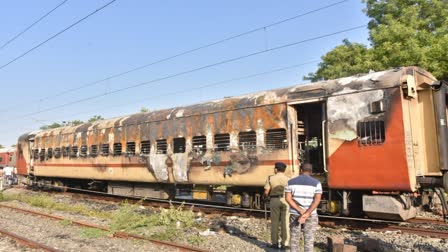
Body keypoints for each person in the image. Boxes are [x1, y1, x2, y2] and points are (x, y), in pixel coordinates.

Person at [285, 163, 322, 252]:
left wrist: (300, 210)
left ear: (300, 170)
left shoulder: (290, 182)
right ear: (311, 171)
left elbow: (288, 198)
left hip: (295, 213)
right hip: (311, 215)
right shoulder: (317, 183)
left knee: (294, 238)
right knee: (309, 239)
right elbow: (317, 200)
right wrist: (307, 213)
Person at [264, 162, 290, 249]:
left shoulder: (270, 178)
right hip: (285, 200)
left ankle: (274, 243)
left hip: (274, 200)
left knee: (274, 222)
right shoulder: (288, 179)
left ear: (276, 169)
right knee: (285, 222)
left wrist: (265, 198)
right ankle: (284, 243)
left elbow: (266, 191)